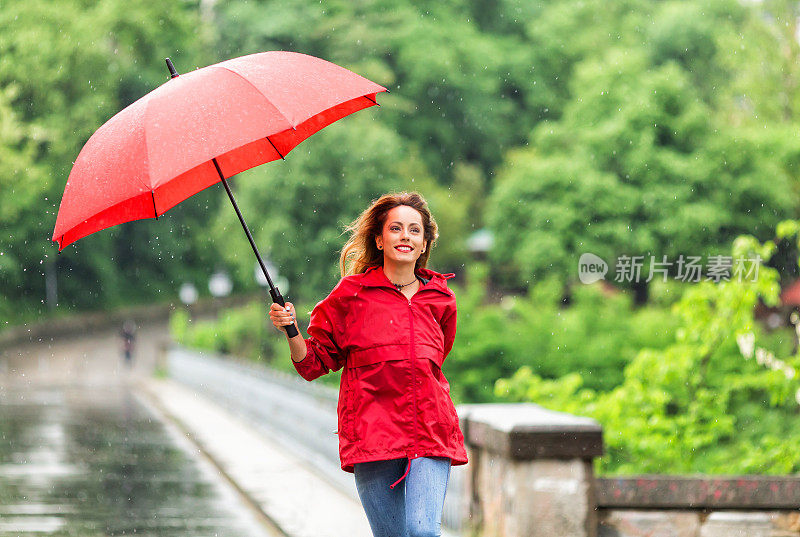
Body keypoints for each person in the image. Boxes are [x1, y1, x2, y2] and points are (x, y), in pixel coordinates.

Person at [269, 191, 467, 537]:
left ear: (424, 244)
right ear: (379, 239)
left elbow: (435, 362)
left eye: (414, 230)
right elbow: (312, 363)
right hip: (373, 435)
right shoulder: (350, 295)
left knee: (423, 532)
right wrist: (291, 330)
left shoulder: (441, 298)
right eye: (395, 228)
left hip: (430, 432)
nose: (405, 236)